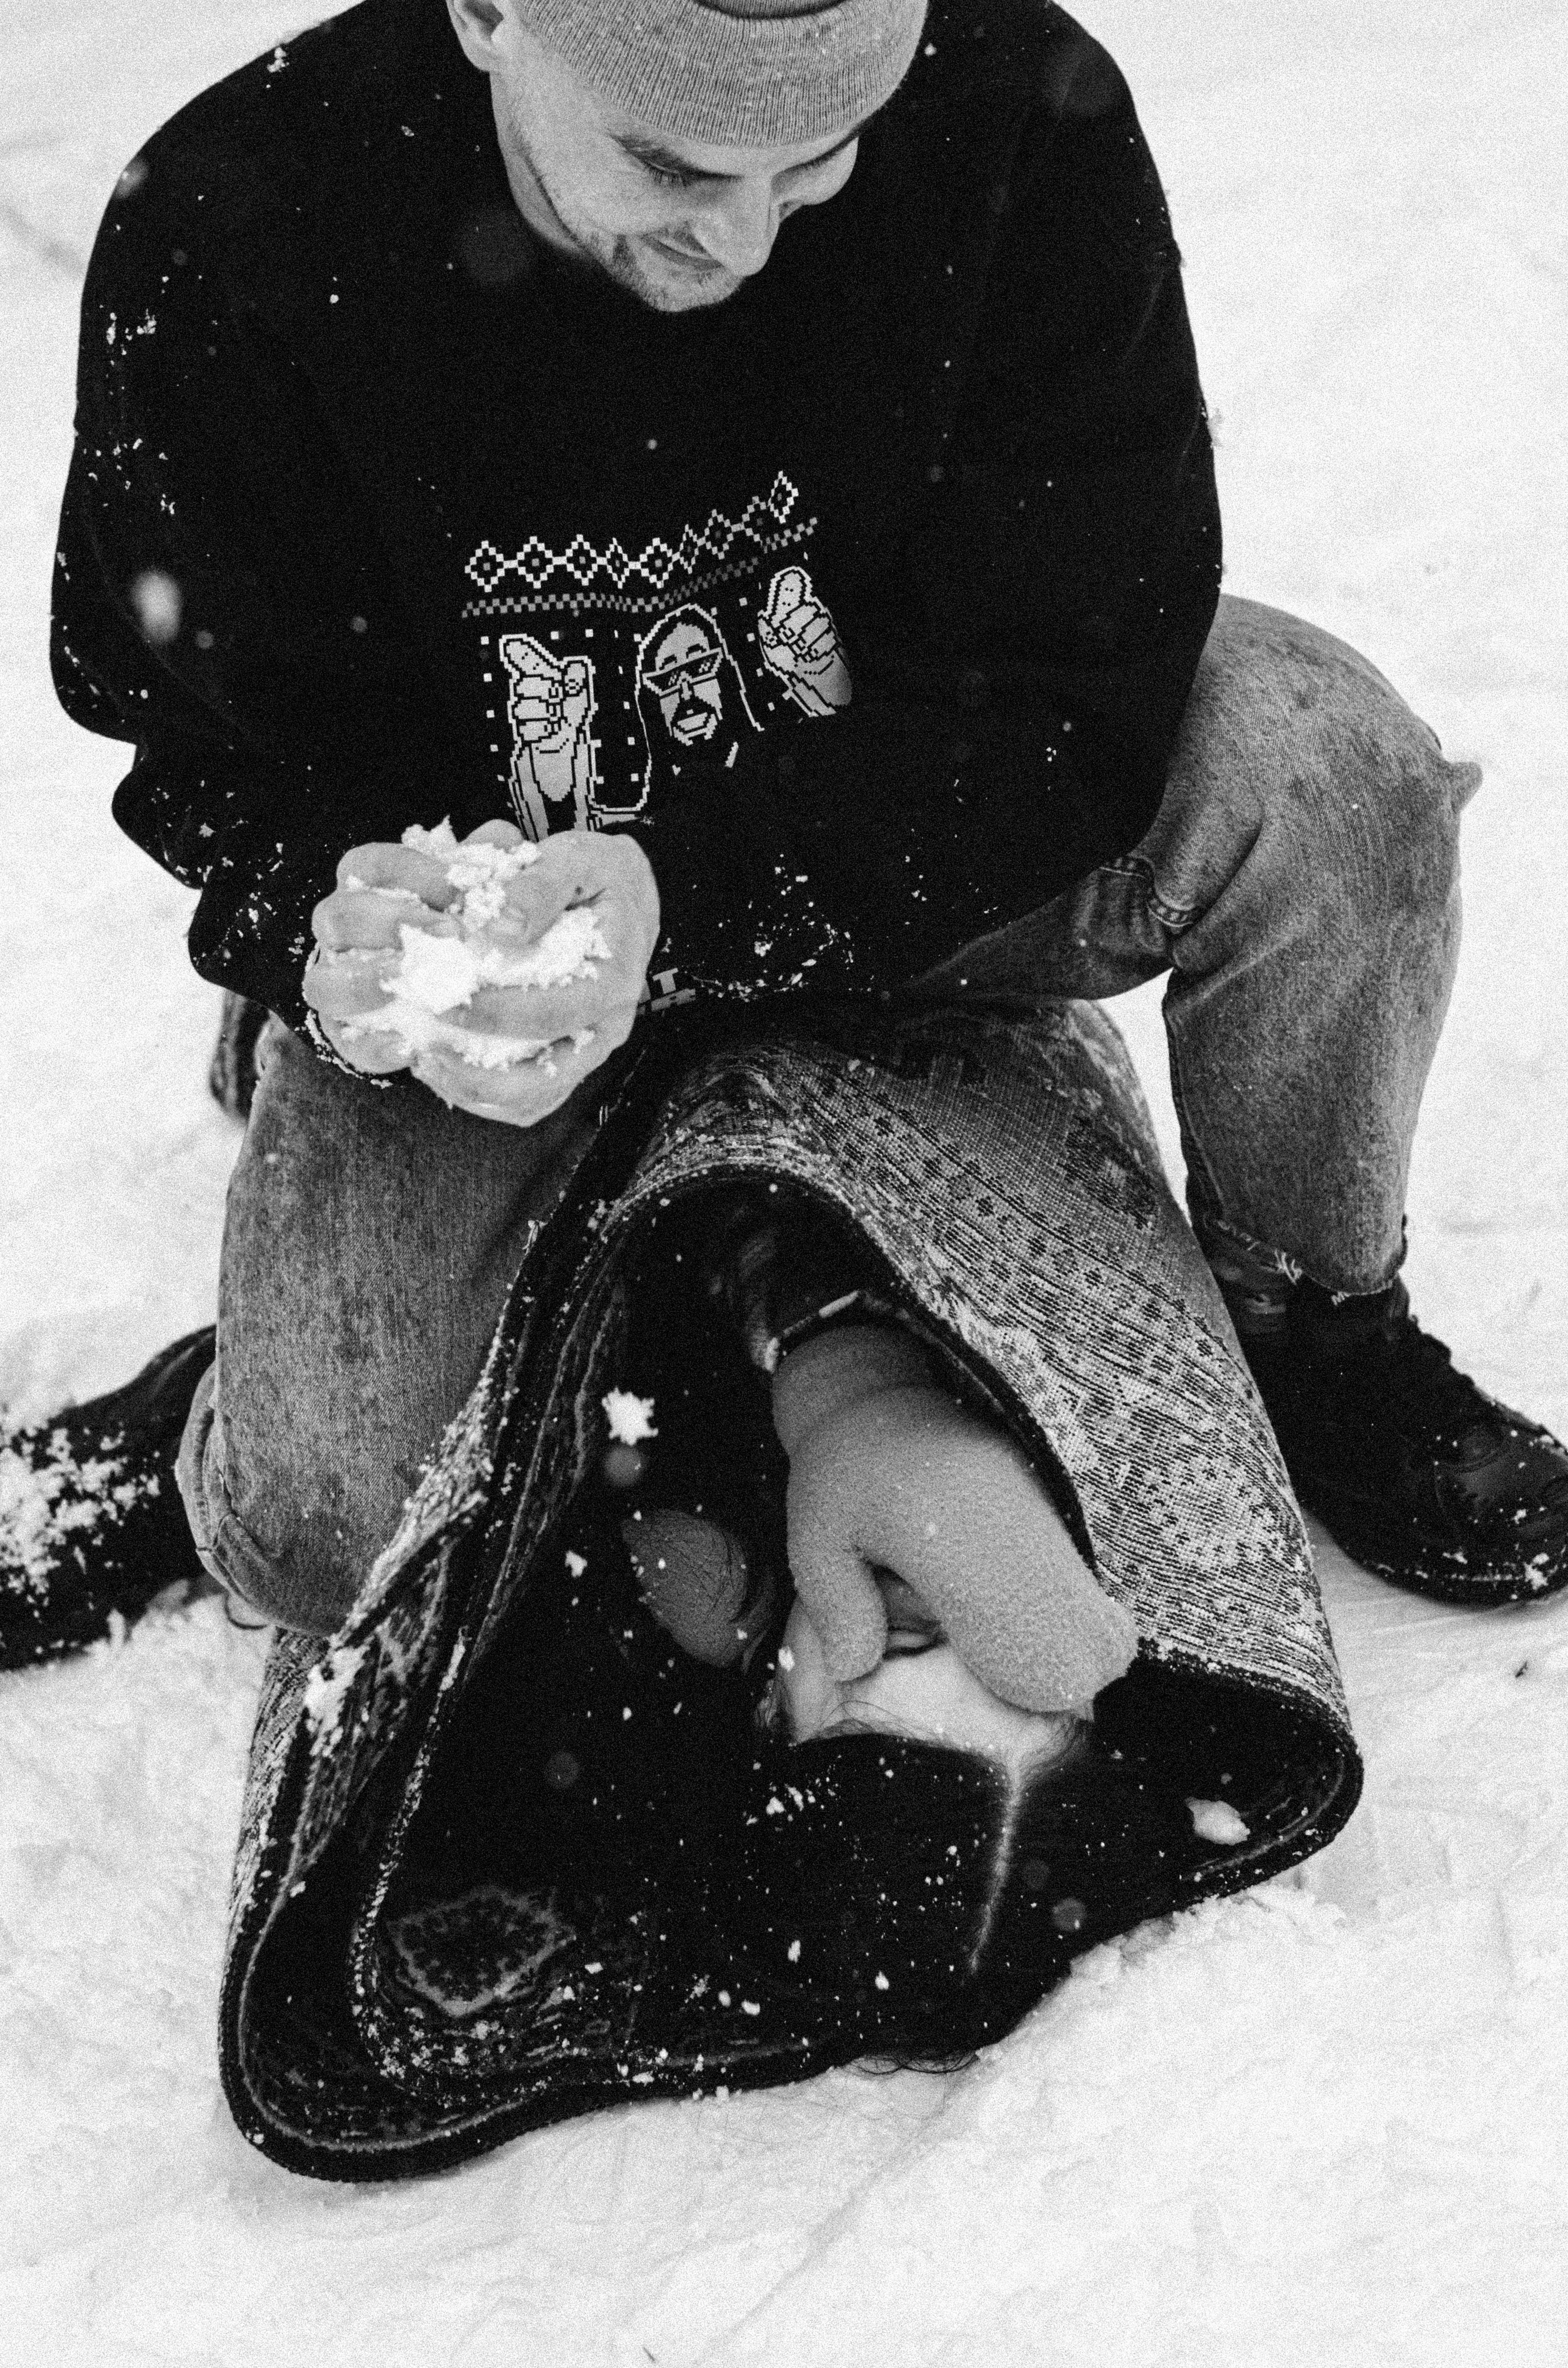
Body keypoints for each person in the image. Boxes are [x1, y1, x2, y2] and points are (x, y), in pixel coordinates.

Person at [6, 0, 1565, 1680]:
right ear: (487, 13)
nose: (739, 241)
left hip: (882, 812)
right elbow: (193, 728)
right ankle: (218, 1423)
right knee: (328, 1528)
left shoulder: (1009, 108)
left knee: (1328, 768)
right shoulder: (239, 216)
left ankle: (1316, 1323)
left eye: (816, 157)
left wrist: (691, 894)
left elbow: (1079, 667)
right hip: (495, 919)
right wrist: (331, 909)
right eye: (669, 161)